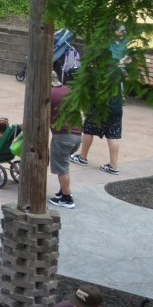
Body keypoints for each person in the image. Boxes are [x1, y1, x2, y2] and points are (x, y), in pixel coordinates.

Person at [76, 26, 129, 174]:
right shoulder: (118, 70)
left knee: (88, 129)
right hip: (116, 105)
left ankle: (82, 157)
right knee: (113, 135)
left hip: (100, 106)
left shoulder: (98, 70)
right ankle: (113, 165)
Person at [49, 70, 82, 209]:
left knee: (62, 169)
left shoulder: (50, 94)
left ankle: (67, 198)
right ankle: (63, 191)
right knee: (64, 164)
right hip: (77, 135)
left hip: (62, 135)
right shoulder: (67, 90)